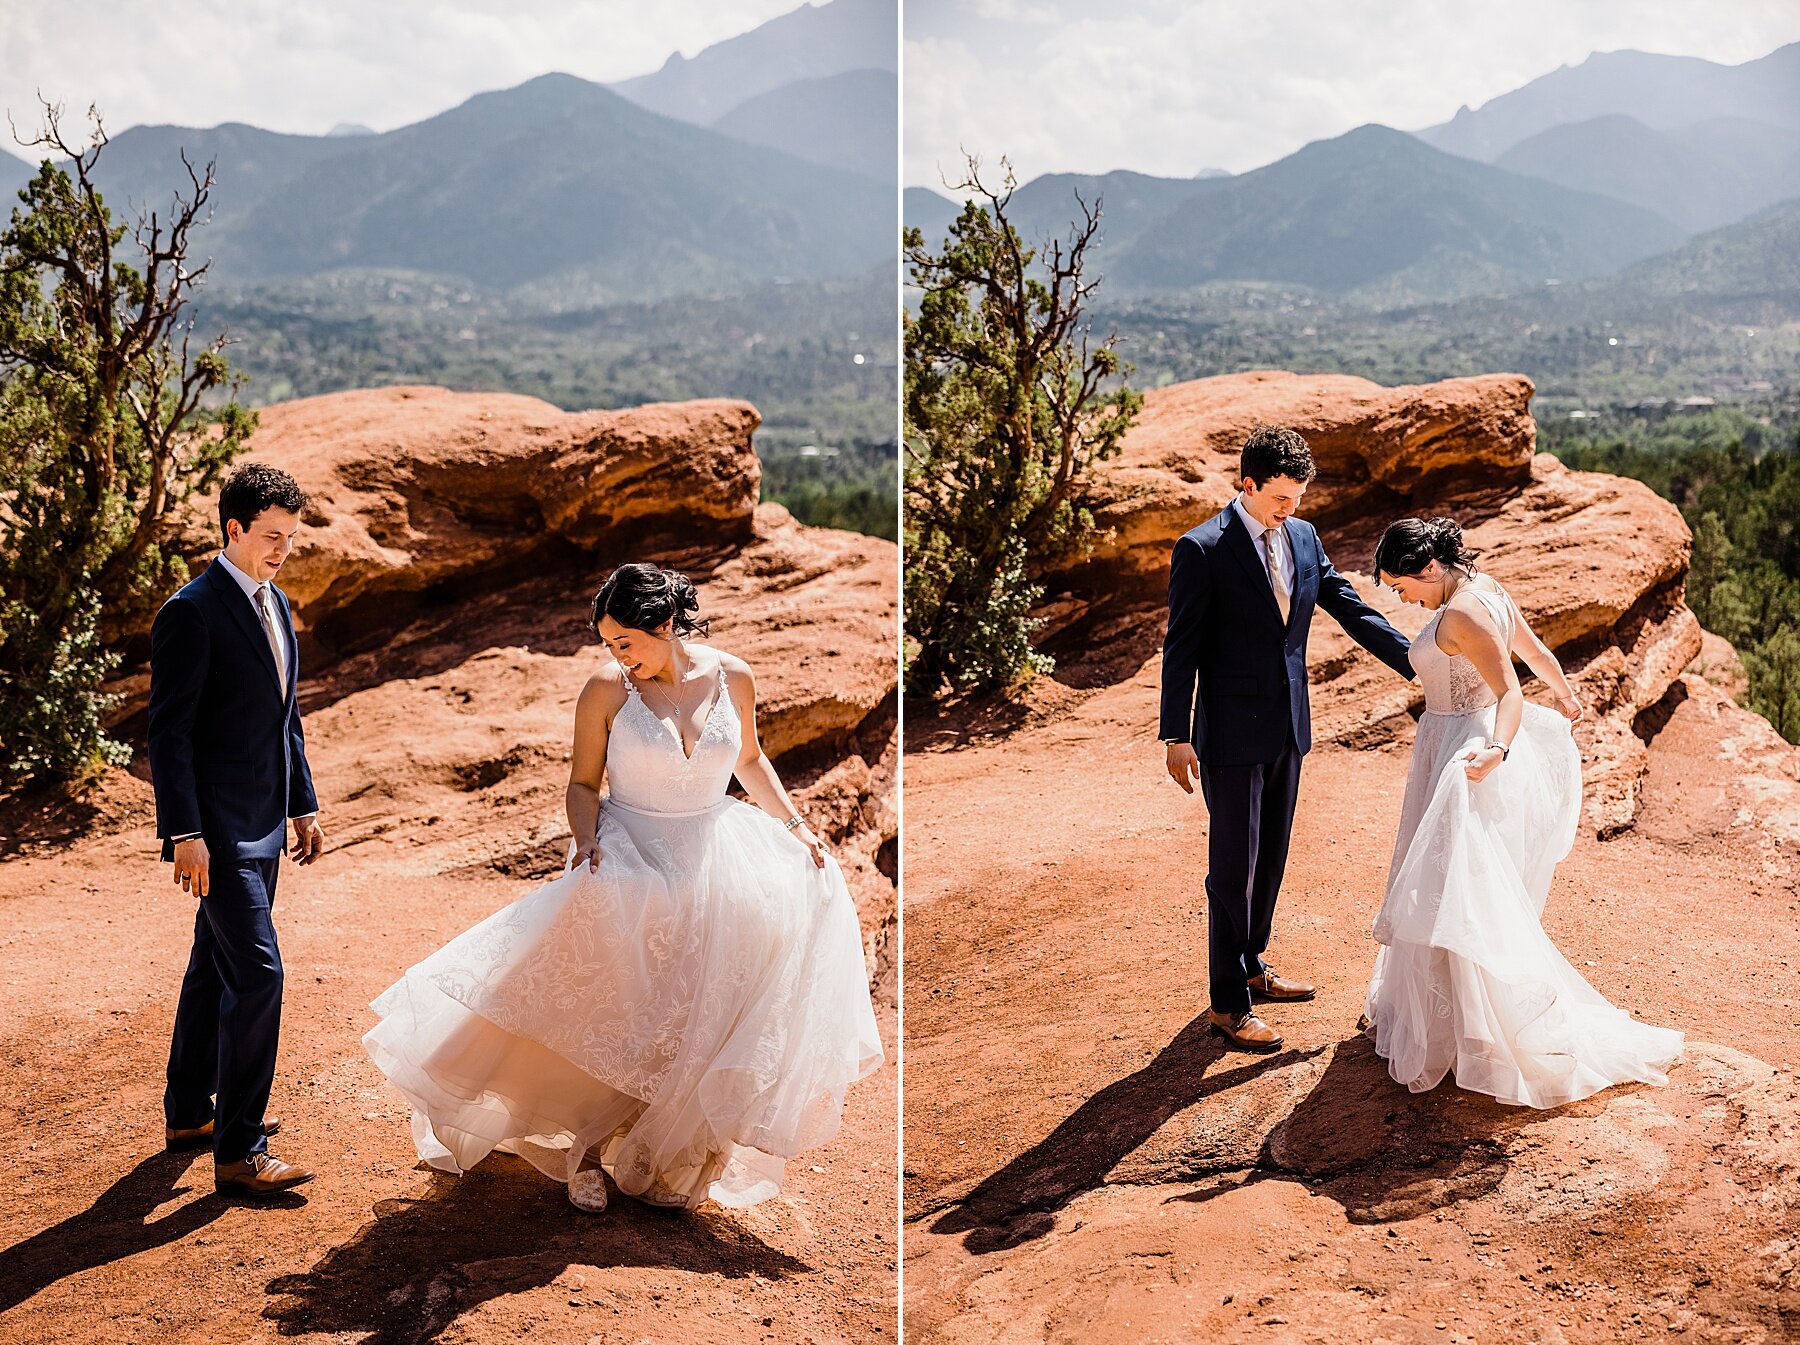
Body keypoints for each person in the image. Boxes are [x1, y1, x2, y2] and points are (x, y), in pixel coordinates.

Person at [363, 562, 883, 1211]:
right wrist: (586, 841)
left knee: (733, 959)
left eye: (625, 642)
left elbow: (748, 757)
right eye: (610, 645)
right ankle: (579, 1147)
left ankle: (657, 1141)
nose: (617, 656)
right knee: (619, 992)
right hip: (630, 842)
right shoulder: (606, 690)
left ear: (664, 624)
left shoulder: (733, 675)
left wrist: (797, 825)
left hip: (715, 843)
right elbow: (582, 784)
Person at [1361, 517, 1682, 1106]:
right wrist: (1566, 693)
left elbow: (1509, 688)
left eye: (1401, 586)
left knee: (1456, 890)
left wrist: (1498, 751)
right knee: (1454, 886)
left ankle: (1474, 1028)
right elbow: (1532, 651)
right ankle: (1458, 1019)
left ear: (1430, 569)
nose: (1400, 598)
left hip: (1467, 750)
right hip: (1453, 740)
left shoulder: (1462, 613)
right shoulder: (1485, 589)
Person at [1160, 426, 1416, 1052]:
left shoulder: (1303, 537)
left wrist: (1418, 663)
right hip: (1225, 734)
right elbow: (1182, 648)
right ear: (1246, 485)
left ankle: (1251, 964)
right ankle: (1228, 1005)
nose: (1291, 509)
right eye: (1280, 497)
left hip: (1288, 728)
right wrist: (1176, 735)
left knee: (1269, 857)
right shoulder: (1201, 550)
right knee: (1231, 869)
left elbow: (1349, 606)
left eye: (1298, 496)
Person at [148, 462, 323, 1196]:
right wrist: (184, 831)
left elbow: (285, 717)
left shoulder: (275, 603)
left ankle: (193, 1112)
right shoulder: (192, 610)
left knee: (212, 966)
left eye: (291, 537)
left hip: (264, 826)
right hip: (216, 834)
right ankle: (240, 1150)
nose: (283, 549)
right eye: (271, 535)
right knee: (258, 975)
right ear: (234, 529)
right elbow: (169, 733)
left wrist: (302, 803)